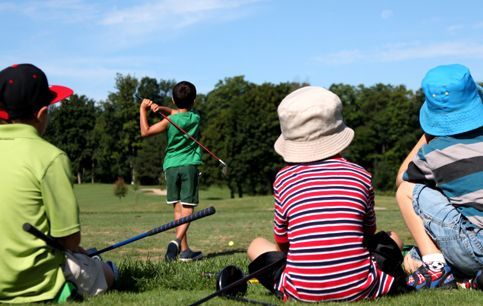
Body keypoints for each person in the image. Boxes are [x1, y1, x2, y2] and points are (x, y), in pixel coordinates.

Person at [247, 86, 408, 302]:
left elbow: (282, 241)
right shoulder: (360, 174)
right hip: (362, 287)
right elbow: (369, 233)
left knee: (256, 244)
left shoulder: (283, 179)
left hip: (300, 291)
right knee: (393, 237)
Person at [0, 64, 117, 303]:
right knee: (107, 271)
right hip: (35, 283)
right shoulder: (51, 157)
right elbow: (70, 239)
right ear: (42, 114)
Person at [395, 64, 483, 290]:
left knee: (406, 191)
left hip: (475, 249)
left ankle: (436, 268)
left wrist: (428, 135)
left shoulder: (434, 152)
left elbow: (402, 180)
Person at [139, 81, 203, 262]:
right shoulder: (195, 118)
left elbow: (146, 131)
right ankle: (176, 242)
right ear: (194, 100)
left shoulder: (169, 121)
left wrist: (143, 110)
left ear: (174, 100)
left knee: (178, 209)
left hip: (171, 167)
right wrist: (161, 108)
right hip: (189, 166)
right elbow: (179, 112)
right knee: (188, 208)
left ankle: (184, 251)